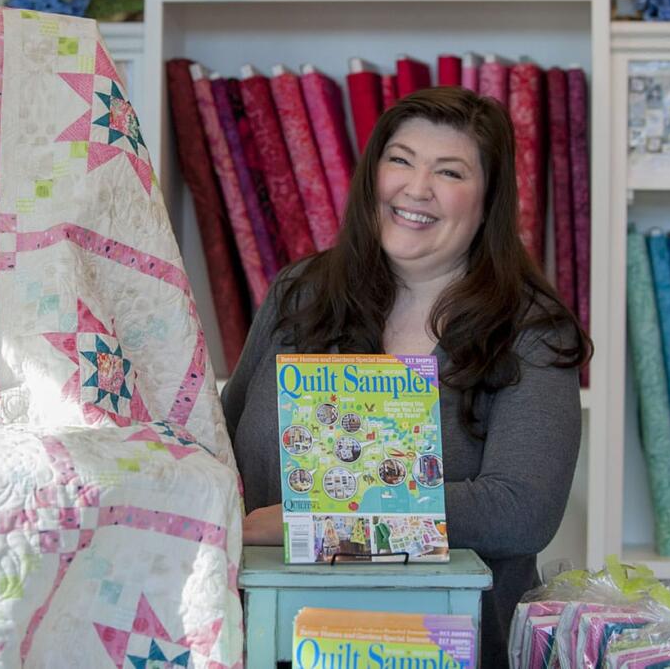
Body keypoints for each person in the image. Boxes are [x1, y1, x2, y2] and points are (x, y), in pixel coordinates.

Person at [221, 86, 591, 669]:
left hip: (445, 645)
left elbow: (522, 512)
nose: (416, 189)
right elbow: (223, 441)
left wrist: (308, 525)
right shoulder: (302, 293)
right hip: (274, 636)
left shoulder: (532, 330)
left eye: (449, 171)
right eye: (400, 159)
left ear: (488, 200)